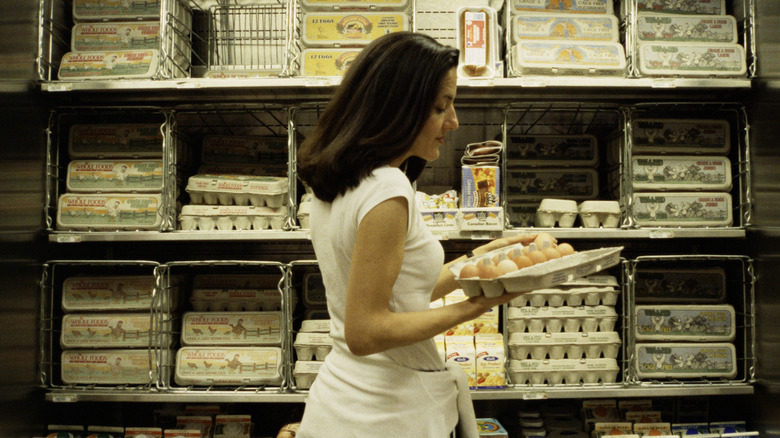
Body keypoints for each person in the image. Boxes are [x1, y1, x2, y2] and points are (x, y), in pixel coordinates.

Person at [296, 32, 535, 438]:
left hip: (345, 402)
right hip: (385, 415)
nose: (454, 121)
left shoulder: (337, 182)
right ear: (399, 107)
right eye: (441, 106)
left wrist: (476, 264)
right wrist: (475, 307)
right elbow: (366, 331)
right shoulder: (387, 189)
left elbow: (401, 291)